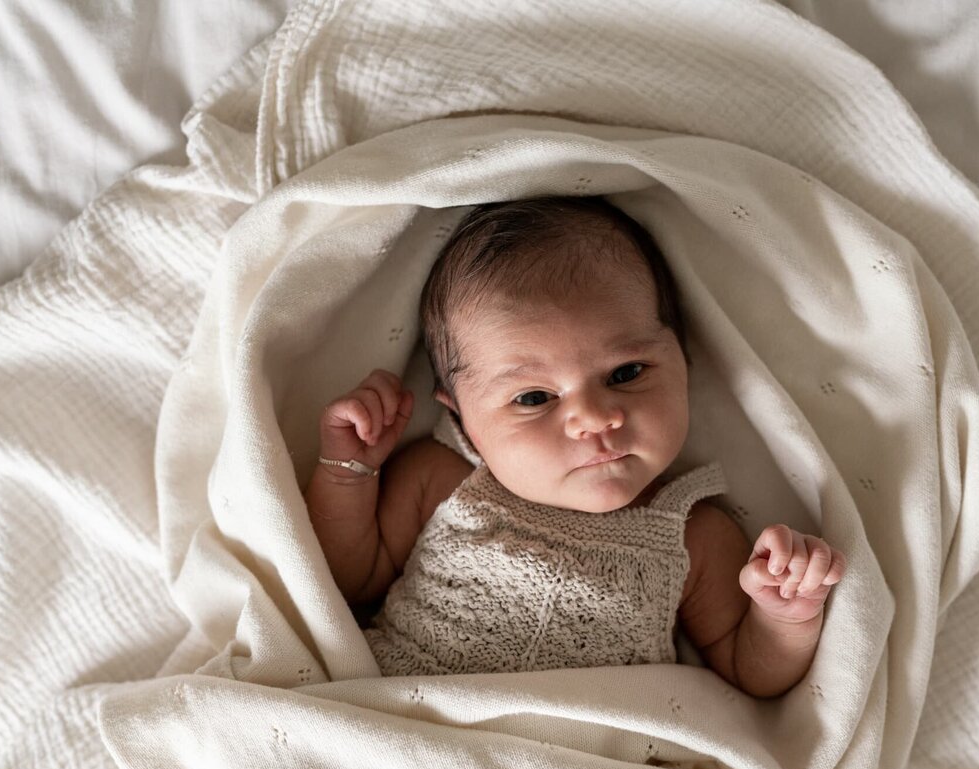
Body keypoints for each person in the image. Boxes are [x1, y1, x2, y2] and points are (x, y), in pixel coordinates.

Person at [304, 196, 845, 698]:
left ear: (685, 362)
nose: (593, 419)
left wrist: (785, 614)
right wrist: (348, 472)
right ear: (462, 418)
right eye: (534, 396)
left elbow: (748, 669)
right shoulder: (443, 478)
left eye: (626, 372)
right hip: (417, 727)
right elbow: (349, 580)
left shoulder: (692, 536)